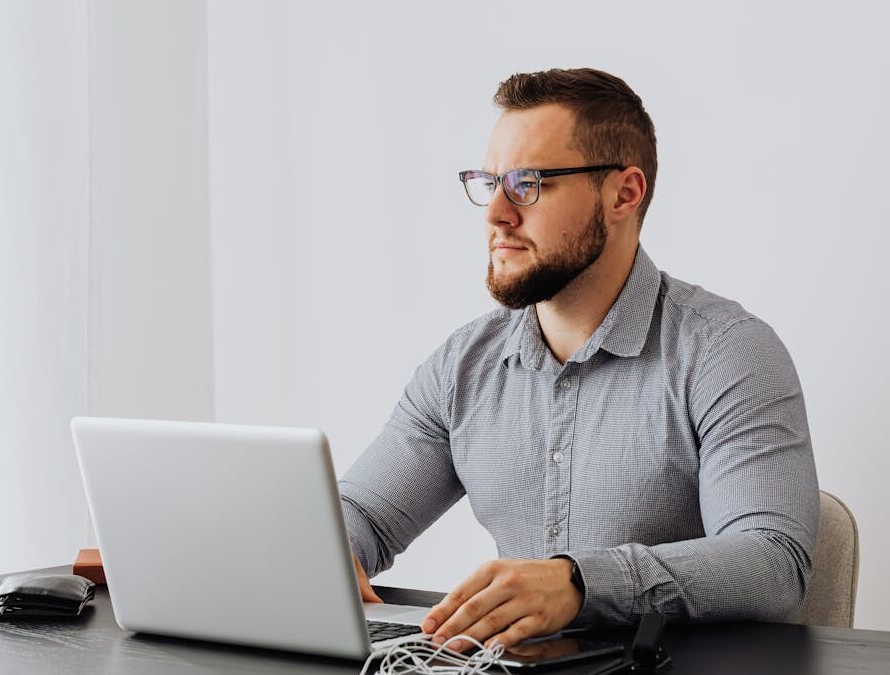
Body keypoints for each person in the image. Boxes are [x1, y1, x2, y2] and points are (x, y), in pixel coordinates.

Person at [339, 68, 818, 651]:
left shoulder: (726, 351)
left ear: (624, 193)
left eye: (528, 182)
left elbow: (773, 560)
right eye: (488, 181)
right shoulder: (462, 366)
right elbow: (362, 511)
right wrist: (332, 549)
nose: (496, 213)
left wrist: (579, 583)